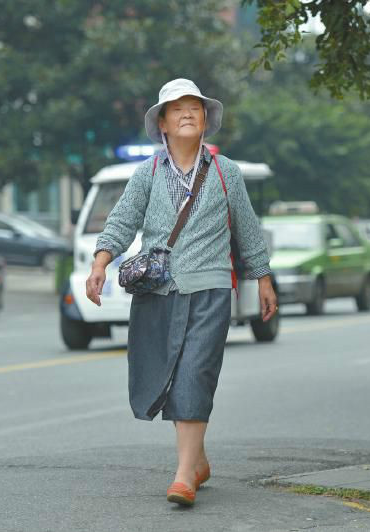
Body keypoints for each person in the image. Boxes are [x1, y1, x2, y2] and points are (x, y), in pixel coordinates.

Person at [86, 78, 277, 507]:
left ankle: (183, 475)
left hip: (210, 289)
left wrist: (262, 277)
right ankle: (198, 459)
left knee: (195, 373)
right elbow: (121, 221)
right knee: (169, 378)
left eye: (195, 107)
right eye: (177, 109)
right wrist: (100, 263)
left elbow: (247, 229)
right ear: (164, 124)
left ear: (206, 120)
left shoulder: (225, 172)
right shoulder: (148, 172)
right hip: (157, 292)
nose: (187, 113)